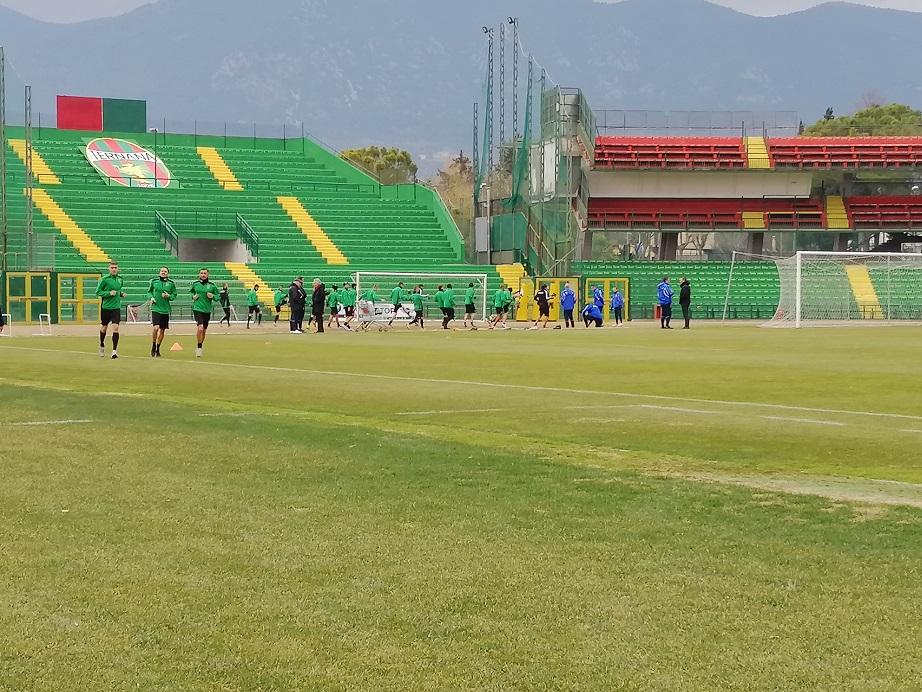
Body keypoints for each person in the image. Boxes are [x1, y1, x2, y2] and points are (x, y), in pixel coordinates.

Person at [95, 261, 127, 359]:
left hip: (116, 307)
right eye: (112, 267)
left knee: (116, 328)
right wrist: (108, 293)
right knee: (104, 327)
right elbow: (98, 292)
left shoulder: (120, 280)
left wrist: (121, 294)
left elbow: (118, 290)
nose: (114, 269)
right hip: (106, 307)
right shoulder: (104, 279)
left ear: (118, 269)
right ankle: (101, 344)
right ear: (109, 269)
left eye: (115, 267)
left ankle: (114, 351)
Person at [190, 268, 220, 357]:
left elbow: (218, 297)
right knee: (200, 328)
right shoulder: (195, 284)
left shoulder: (212, 286)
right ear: (199, 274)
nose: (203, 275)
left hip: (207, 310)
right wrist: (193, 297)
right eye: (201, 273)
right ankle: (198, 348)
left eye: (205, 273)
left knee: (204, 331)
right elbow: (191, 293)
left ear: (208, 275)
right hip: (197, 308)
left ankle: (200, 346)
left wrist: (213, 296)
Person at [148, 266, 176, 358]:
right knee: (156, 328)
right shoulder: (154, 281)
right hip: (156, 308)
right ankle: (153, 345)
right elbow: (149, 292)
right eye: (162, 271)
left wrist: (168, 296)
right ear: (159, 272)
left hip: (165, 310)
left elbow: (174, 295)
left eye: (165, 271)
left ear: (168, 273)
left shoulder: (171, 283)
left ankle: (158, 348)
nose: (163, 272)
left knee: (162, 330)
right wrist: (151, 297)